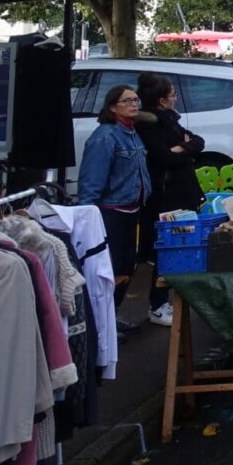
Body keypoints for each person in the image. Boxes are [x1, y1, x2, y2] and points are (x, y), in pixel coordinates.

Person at [78, 84, 153, 330]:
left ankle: (112, 318)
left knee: (125, 269)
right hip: (110, 213)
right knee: (107, 271)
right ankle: (101, 325)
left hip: (132, 211)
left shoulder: (133, 133)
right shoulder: (105, 137)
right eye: (127, 101)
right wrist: (87, 220)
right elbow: (91, 182)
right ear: (112, 107)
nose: (134, 104)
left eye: (136, 100)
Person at [134, 73, 204, 326]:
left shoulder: (170, 121)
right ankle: (157, 303)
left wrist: (183, 147)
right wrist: (184, 148)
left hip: (182, 191)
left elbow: (198, 141)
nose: (176, 99)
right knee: (167, 246)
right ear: (163, 100)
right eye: (174, 95)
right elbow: (163, 157)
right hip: (166, 195)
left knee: (181, 242)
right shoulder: (150, 125)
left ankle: (169, 298)